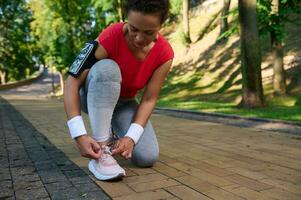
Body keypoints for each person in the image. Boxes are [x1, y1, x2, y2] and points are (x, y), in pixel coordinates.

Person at [64, 0, 174, 181]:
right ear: (126, 19)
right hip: (92, 95)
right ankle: (101, 153)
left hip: (124, 103)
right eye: (133, 29)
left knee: (147, 157)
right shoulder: (111, 35)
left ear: (161, 26)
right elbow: (71, 82)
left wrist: (130, 137)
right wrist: (79, 135)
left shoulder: (164, 55)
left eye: (148, 32)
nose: (139, 38)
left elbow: (149, 99)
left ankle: (114, 132)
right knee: (107, 68)